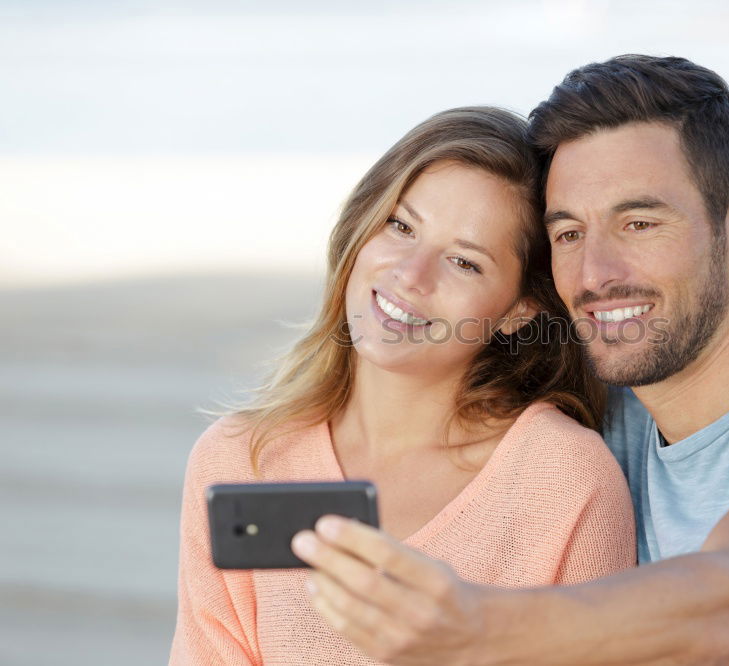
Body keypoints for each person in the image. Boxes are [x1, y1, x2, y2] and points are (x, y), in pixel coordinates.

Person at [291, 55, 729, 664]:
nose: (597, 272)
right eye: (568, 232)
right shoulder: (603, 423)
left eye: (639, 222)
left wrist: (479, 627)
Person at [168, 106, 636, 665]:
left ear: (517, 309)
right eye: (401, 225)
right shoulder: (241, 458)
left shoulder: (566, 482)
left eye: (464, 262)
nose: (410, 275)